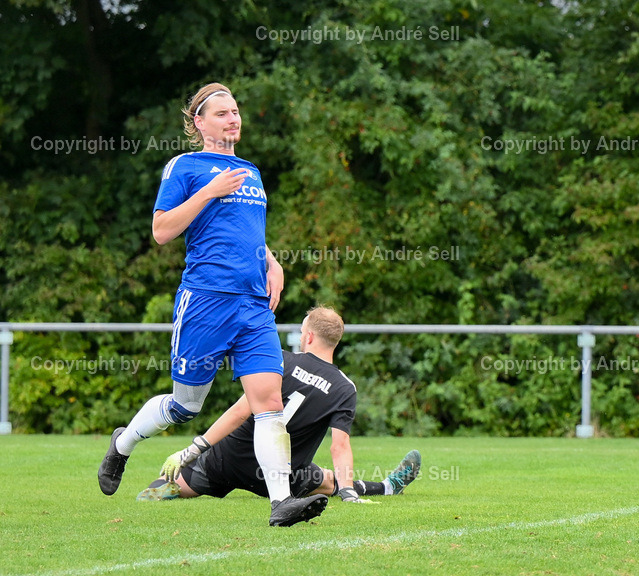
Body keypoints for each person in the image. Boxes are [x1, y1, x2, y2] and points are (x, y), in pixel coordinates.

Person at [97, 82, 328, 527]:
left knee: (268, 402)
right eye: (222, 113)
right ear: (199, 123)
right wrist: (208, 191)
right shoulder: (185, 166)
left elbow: (247, 235)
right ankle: (123, 444)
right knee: (185, 406)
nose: (233, 118)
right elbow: (162, 231)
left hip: (253, 306)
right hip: (205, 301)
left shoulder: (252, 172)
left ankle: (281, 503)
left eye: (236, 111)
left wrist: (272, 262)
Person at [135, 306, 421, 504]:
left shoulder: (279, 360)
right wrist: (347, 492)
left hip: (229, 459)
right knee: (328, 481)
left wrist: (193, 449)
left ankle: (157, 484)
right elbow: (340, 446)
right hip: (280, 476)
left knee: (160, 488)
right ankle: (385, 487)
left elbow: (240, 410)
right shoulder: (345, 387)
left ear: (307, 336)